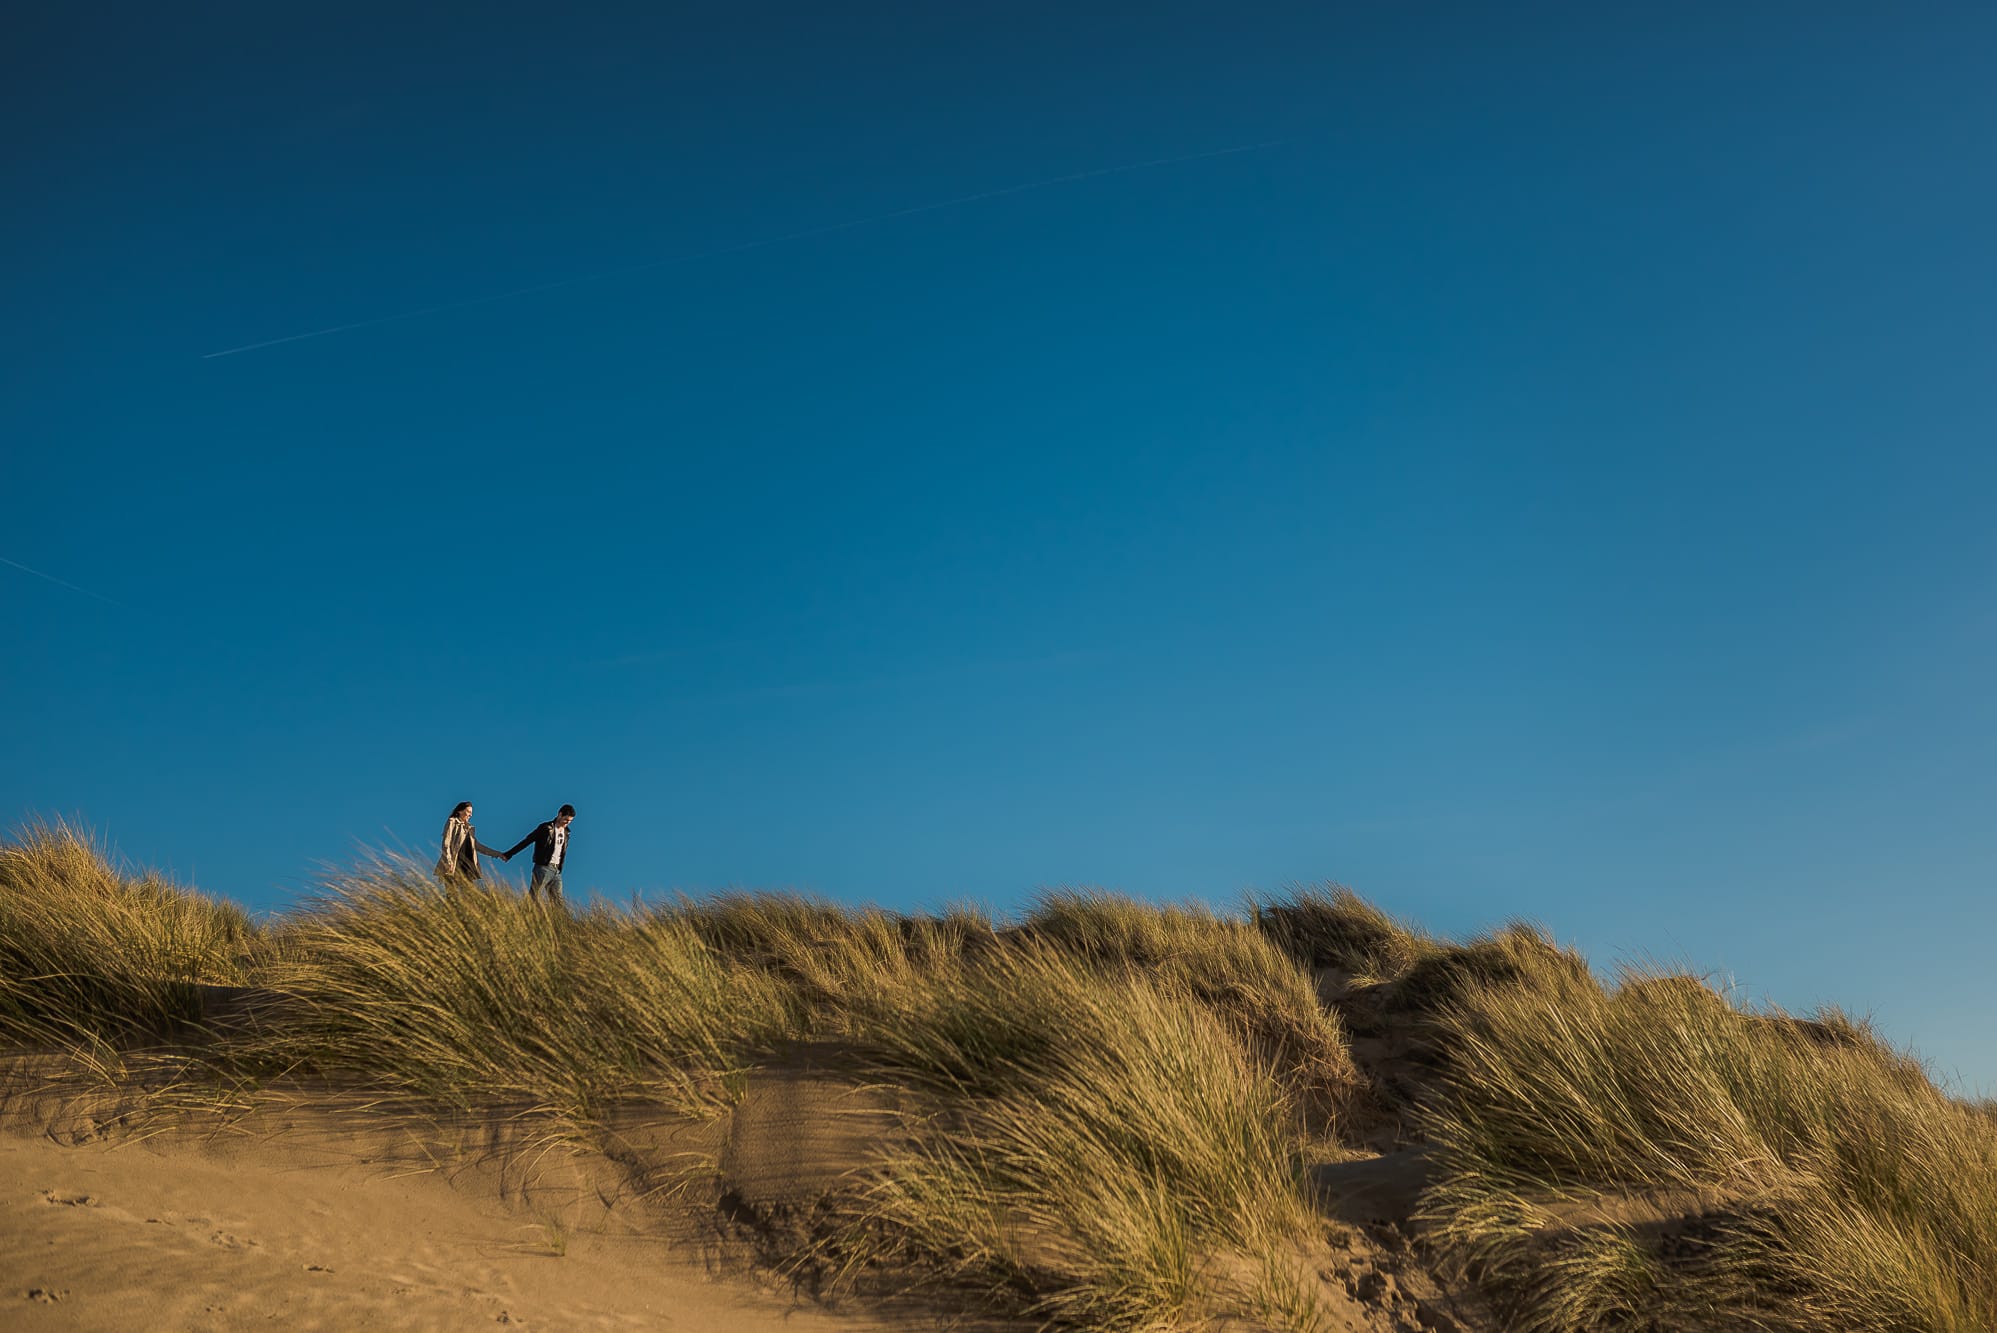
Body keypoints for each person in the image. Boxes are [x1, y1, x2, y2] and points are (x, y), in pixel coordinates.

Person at [502, 804, 575, 903]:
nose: (567, 823)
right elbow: (527, 841)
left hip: (557, 871)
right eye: (566, 819)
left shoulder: (566, 833)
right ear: (560, 814)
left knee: (558, 901)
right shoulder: (546, 828)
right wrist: (509, 854)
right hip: (543, 868)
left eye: (570, 821)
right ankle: (523, 914)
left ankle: (559, 919)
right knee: (534, 896)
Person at [437, 801, 505, 881]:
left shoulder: (469, 829)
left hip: (467, 868)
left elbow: (479, 847)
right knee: (452, 893)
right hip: (452, 866)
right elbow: (446, 843)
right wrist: (448, 861)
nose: (470, 815)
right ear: (460, 811)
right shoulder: (452, 822)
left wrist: (498, 854)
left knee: (469, 893)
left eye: (471, 812)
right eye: (468, 812)